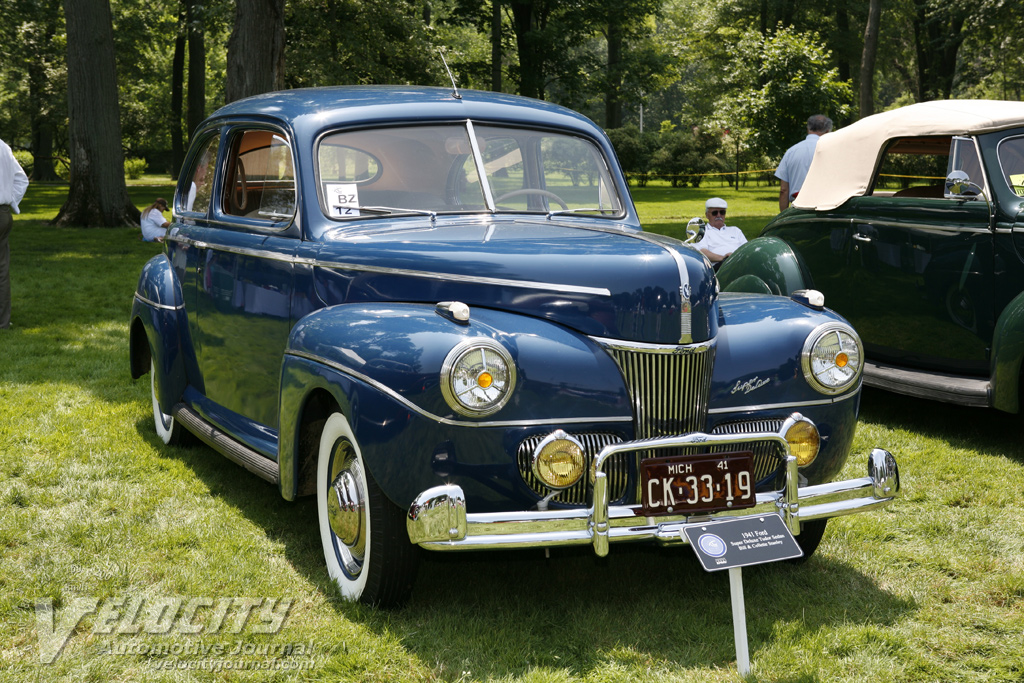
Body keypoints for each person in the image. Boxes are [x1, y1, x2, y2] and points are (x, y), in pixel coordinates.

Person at [0, 138, 29, 330]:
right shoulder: (2, 145)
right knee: (1, 270)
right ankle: (2, 322)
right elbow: (22, 180)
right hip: (2, 214)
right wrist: (10, 203)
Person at [776, 114, 833, 211]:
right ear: (827, 131)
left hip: (797, 208)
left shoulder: (791, 151)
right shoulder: (832, 151)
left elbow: (784, 190)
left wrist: (783, 216)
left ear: (808, 129)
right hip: (824, 208)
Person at [695, 197, 746, 265]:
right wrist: (723, 258)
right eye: (715, 213)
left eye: (722, 212)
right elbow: (702, 252)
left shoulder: (735, 230)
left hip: (740, 263)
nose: (719, 215)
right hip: (719, 267)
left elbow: (747, 249)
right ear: (707, 215)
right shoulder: (702, 231)